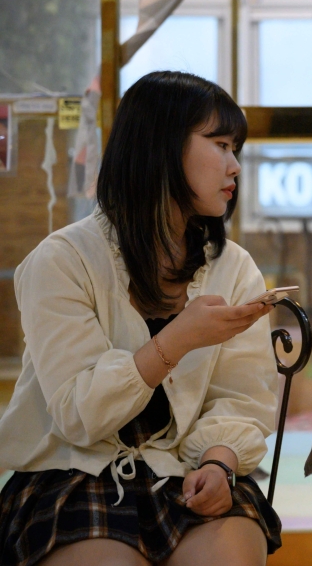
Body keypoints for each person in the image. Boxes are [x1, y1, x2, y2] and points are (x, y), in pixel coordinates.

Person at [0, 71, 281, 566]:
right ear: (162, 147)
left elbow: (242, 398)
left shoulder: (233, 267)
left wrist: (221, 462)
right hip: (73, 473)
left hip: (187, 469)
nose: (235, 165)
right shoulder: (62, 260)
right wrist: (175, 341)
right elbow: (79, 415)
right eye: (220, 144)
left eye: (235, 148)